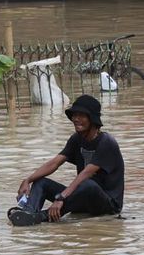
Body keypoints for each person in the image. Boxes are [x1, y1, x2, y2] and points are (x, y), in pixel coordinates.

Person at [9, 94, 124, 226]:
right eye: (74, 115)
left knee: (88, 184)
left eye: (81, 115)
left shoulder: (107, 143)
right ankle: (28, 213)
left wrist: (61, 197)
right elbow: (55, 162)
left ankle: (41, 216)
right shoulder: (76, 139)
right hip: (82, 198)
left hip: (107, 205)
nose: (75, 119)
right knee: (40, 182)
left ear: (92, 119)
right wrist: (28, 180)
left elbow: (86, 173)